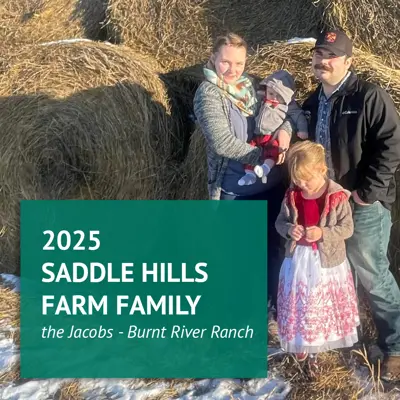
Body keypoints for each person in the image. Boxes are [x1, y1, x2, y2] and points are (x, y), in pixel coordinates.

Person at [302, 29, 400, 381]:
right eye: (319, 54)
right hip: (329, 207)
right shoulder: (312, 103)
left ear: (348, 61)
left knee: (373, 274)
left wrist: (366, 193)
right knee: (340, 274)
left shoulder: (368, 96)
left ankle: (395, 347)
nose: (323, 61)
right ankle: (352, 338)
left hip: (363, 205)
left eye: (331, 55)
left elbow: (392, 144)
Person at [193, 33, 292, 331]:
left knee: (274, 251)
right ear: (213, 58)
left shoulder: (252, 87)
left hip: (271, 186)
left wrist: (285, 132)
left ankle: (273, 310)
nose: (232, 69)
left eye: (238, 63)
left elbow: (286, 110)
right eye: (225, 62)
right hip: (236, 190)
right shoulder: (208, 94)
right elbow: (222, 142)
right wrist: (265, 154)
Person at [275, 140, 360, 371]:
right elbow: (280, 221)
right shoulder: (292, 195)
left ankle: (317, 344)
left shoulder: (337, 196)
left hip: (326, 262)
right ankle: (302, 341)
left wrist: (323, 233)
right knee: (302, 303)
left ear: (322, 170)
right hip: (298, 259)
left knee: (318, 302)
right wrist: (289, 229)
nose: (302, 185)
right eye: (297, 180)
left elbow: (347, 228)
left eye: (307, 180)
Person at [238, 70, 308, 187]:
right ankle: (249, 174)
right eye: (271, 93)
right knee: (250, 151)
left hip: (272, 135)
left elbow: (299, 116)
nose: (274, 98)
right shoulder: (262, 99)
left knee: (273, 151)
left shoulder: (288, 106)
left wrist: (303, 130)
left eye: (279, 96)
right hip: (258, 135)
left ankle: (265, 168)